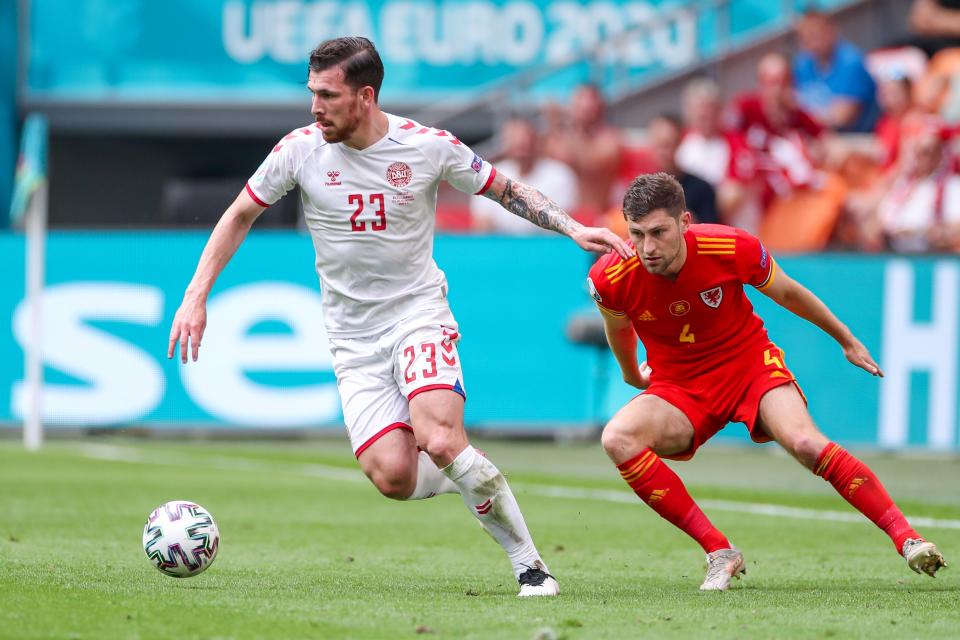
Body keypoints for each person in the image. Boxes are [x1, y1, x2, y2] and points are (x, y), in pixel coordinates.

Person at [167, 37, 632, 597]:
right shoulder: (299, 150)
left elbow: (506, 191)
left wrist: (572, 227)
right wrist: (197, 295)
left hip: (418, 312)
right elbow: (240, 213)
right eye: (311, 93)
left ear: (365, 97)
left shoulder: (427, 147)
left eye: (326, 95)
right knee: (393, 476)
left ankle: (530, 564)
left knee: (438, 435)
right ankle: (469, 469)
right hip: (352, 336)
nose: (314, 107)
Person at [586, 172, 947, 591]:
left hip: (748, 368)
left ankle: (908, 539)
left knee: (807, 444)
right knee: (618, 438)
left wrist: (845, 339)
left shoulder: (730, 245)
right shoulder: (609, 276)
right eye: (636, 234)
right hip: (679, 387)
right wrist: (632, 375)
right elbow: (619, 329)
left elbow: (789, 293)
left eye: (658, 233)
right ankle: (719, 551)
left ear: (685, 222)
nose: (647, 248)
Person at [469, 116, 578, 234]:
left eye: (525, 142)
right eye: (516, 143)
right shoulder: (489, 174)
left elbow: (561, 224)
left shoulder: (560, 175)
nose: (521, 149)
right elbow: (482, 223)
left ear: (536, 142)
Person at [542, 84, 624, 225]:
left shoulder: (610, 140)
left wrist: (564, 126)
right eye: (580, 99)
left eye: (589, 100)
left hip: (599, 217)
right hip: (564, 218)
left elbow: (588, 164)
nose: (585, 105)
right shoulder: (559, 138)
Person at [793, 10, 879, 133]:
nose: (812, 44)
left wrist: (806, 118)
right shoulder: (803, 64)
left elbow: (843, 118)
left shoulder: (851, 62)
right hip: (820, 136)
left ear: (831, 31)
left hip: (857, 136)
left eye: (815, 36)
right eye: (806, 39)